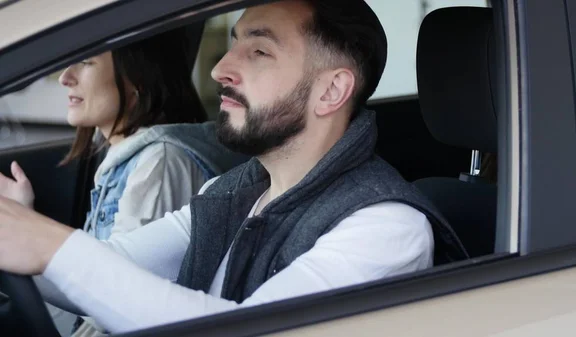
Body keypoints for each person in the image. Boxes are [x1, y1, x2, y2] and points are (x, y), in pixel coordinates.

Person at [0, 0, 467, 334]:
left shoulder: (386, 228)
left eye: (258, 51)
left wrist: (46, 242)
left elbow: (240, 329)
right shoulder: (233, 190)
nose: (220, 68)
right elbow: (111, 266)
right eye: (233, 43)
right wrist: (20, 234)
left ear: (330, 92)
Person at [0, 30, 248, 336]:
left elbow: (113, 303)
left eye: (86, 62)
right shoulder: (122, 156)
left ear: (137, 80)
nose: (66, 77)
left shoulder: (160, 163)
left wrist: (23, 230)